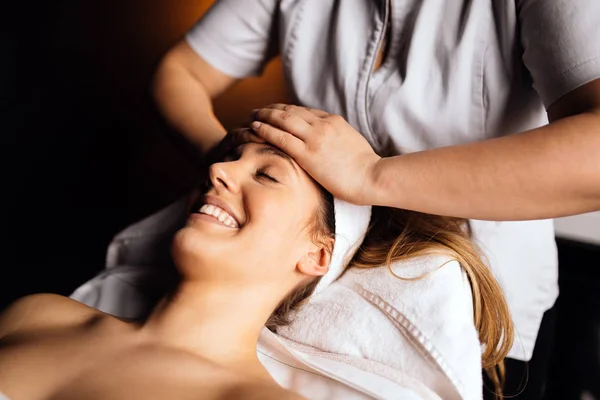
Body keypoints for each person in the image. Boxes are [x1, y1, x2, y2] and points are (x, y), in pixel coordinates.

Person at [151, 1, 600, 398]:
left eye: (264, 173)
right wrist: (241, 167)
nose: (218, 174)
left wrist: (371, 176)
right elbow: (180, 72)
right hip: (295, 298)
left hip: (475, 315)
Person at [0, 138, 512, 399]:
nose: (217, 170)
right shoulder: (38, 315)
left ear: (317, 255)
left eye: (267, 174)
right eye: (230, 157)